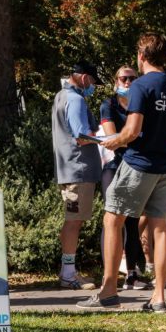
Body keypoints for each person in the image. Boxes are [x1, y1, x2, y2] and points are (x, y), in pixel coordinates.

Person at [80, 32, 166, 312]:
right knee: (160, 227)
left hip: (138, 164)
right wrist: (159, 140)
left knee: (111, 220)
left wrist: (114, 140)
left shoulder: (141, 86)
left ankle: (108, 291)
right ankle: (159, 298)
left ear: (141, 55)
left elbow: (131, 132)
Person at [51, 60, 103, 291]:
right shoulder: (75, 99)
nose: (92, 85)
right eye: (92, 81)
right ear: (84, 78)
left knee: (73, 220)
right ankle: (69, 274)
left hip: (69, 168)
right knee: (74, 221)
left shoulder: (61, 96)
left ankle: (67, 271)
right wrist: (107, 140)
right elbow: (82, 136)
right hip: (78, 169)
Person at [100, 66, 151, 290]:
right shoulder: (109, 105)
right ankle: (108, 278)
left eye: (132, 78)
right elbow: (112, 135)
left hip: (136, 166)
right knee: (112, 220)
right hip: (115, 166)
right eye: (124, 78)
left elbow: (142, 136)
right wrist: (131, 137)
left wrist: (127, 138)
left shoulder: (142, 104)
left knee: (132, 221)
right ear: (116, 81)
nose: (128, 82)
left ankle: (132, 274)